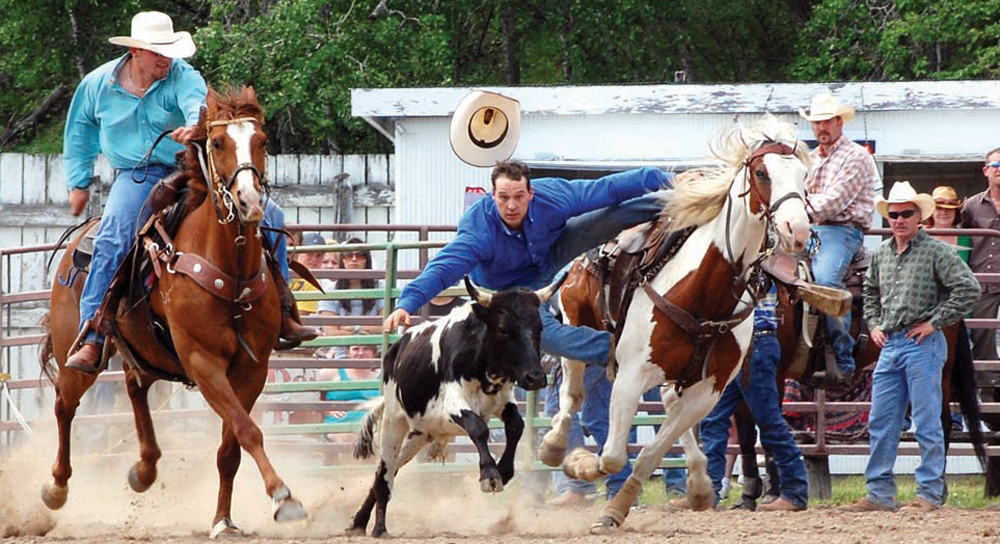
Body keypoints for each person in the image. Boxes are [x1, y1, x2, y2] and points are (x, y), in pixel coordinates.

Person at [63, 11, 315, 372]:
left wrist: (193, 126)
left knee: (271, 215)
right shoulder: (97, 85)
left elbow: (198, 105)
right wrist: (79, 181)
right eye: (157, 51)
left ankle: (285, 308)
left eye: (169, 50)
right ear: (135, 52)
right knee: (115, 234)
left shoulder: (183, 76)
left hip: (190, 167)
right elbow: (79, 131)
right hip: (137, 175)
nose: (166, 58)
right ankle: (94, 332)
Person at [383, 160, 673, 366]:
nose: (512, 205)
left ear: (530, 194)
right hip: (506, 289)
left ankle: (678, 199)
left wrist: (664, 178)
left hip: (549, 253)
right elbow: (442, 268)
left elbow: (605, 189)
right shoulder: (478, 233)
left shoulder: (553, 197)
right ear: (492, 196)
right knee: (547, 336)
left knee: (605, 218)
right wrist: (406, 303)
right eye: (504, 198)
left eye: (519, 197)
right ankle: (620, 349)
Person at [843, 181, 980, 513]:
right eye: (894, 214)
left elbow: (969, 288)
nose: (899, 220)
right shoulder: (882, 256)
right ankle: (881, 492)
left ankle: (927, 494)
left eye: (905, 214)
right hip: (893, 343)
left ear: (919, 217)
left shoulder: (936, 252)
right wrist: (874, 324)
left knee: (927, 419)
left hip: (922, 343)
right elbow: (872, 294)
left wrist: (934, 323)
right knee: (882, 419)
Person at [696, 286, 809, 512]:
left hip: (754, 343)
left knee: (766, 420)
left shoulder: (756, 264)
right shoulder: (753, 264)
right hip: (739, 344)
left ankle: (795, 492)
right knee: (714, 419)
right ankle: (708, 492)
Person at [798, 93, 881, 386]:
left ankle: (843, 356)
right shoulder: (810, 158)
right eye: (816, 122)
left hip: (841, 229)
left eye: (825, 122)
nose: (820, 128)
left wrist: (795, 208)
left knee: (825, 281)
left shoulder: (856, 156)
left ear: (839, 122)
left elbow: (833, 202)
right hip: (810, 228)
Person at [960, 148, 1000, 367]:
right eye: (996, 165)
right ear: (986, 171)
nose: (999, 170)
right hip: (983, 282)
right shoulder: (972, 206)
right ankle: (988, 389)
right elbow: (960, 241)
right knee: (981, 335)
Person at [318, 237, 385, 337]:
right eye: (349, 255)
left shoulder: (380, 287)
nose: (354, 259)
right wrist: (369, 329)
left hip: (375, 349)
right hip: (341, 350)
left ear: (367, 260)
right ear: (343, 260)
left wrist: (356, 328)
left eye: (360, 255)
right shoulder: (329, 291)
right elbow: (331, 332)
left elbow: (386, 327)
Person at [318, 344, 382, 444]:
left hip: (373, 425)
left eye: (366, 348)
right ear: (348, 352)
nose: (361, 353)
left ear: (374, 353)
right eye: (356, 349)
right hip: (340, 424)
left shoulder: (383, 378)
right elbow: (310, 395)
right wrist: (328, 409)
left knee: (377, 439)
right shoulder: (331, 373)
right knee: (345, 437)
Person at [927, 186, 970, 262]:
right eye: (939, 208)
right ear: (931, 211)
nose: (944, 212)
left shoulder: (965, 239)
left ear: (955, 212)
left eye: (949, 208)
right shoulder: (921, 236)